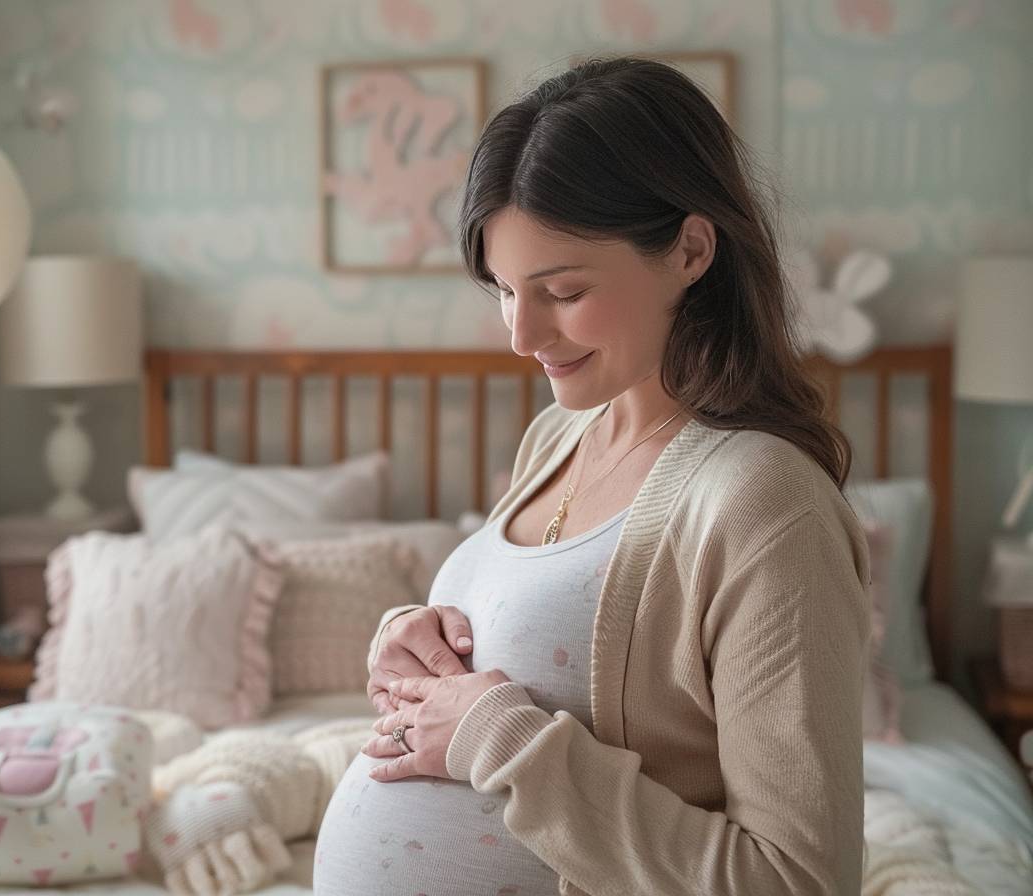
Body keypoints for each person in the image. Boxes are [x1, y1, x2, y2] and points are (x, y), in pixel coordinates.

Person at [310, 56, 871, 896]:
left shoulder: (766, 504)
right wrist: (418, 648)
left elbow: (796, 879)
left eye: (562, 291)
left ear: (690, 248)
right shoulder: (559, 436)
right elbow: (537, 658)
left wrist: (500, 738)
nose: (521, 334)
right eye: (503, 290)